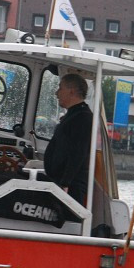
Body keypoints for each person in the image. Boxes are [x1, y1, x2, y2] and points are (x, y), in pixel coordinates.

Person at [43, 73, 93, 205]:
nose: (56, 93)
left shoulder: (83, 118)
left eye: (60, 88)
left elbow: (78, 153)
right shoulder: (73, 115)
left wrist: (65, 183)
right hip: (58, 182)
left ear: (71, 91)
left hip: (71, 187)